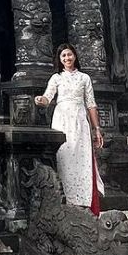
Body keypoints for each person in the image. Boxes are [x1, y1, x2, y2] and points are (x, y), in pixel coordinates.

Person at [34, 43, 105, 215]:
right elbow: (47, 98)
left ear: (75, 56)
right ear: (59, 59)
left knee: (82, 160)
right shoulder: (56, 78)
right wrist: (40, 100)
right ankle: (65, 203)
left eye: (69, 55)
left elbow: (91, 104)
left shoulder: (84, 78)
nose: (67, 58)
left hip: (80, 121)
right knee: (63, 158)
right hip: (62, 121)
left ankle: (85, 205)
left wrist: (96, 129)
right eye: (63, 56)